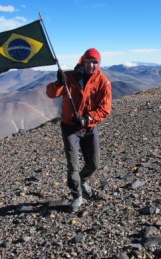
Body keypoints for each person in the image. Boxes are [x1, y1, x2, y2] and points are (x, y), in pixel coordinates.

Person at [46, 48, 112, 211]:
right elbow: (51, 93)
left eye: (95, 62)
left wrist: (87, 118)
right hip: (70, 128)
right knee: (73, 165)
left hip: (89, 128)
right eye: (89, 61)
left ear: (99, 63)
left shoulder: (103, 82)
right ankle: (77, 195)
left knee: (94, 163)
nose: (92, 65)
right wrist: (58, 84)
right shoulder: (69, 77)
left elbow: (105, 109)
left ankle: (82, 180)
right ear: (83, 61)